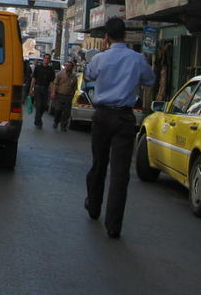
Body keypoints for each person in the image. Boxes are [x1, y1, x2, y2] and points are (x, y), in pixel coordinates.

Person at [84, 17, 155, 239]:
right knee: (120, 173)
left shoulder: (100, 58)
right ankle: (113, 225)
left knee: (99, 164)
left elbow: (88, 75)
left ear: (106, 37)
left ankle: (94, 206)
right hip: (124, 118)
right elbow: (150, 80)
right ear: (124, 35)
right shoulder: (137, 59)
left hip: (102, 116)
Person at [29, 54, 55, 128]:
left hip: (45, 89)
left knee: (44, 106)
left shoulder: (51, 69)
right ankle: (38, 121)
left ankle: (38, 118)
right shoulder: (38, 67)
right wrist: (31, 89)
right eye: (45, 58)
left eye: (48, 58)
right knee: (39, 105)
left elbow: (51, 82)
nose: (46, 60)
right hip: (37, 88)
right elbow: (34, 79)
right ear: (43, 59)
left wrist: (52, 92)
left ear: (49, 60)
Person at [51, 60, 77, 131]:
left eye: (69, 66)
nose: (68, 67)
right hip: (60, 95)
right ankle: (56, 121)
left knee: (66, 112)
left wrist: (73, 96)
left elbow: (75, 87)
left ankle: (63, 125)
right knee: (58, 110)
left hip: (68, 96)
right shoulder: (60, 74)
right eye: (66, 66)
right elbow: (55, 84)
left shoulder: (74, 76)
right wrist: (53, 93)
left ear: (72, 67)